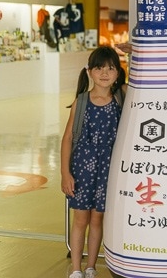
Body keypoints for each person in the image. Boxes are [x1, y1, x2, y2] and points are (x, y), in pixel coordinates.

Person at [60, 46, 127, 278]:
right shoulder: (81, 101)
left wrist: (134, 52)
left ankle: (91, 266)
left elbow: (143, 76)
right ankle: (76, 268)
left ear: (118, 73)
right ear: (90, 71)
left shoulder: (121, 97)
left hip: (108, 169)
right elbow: (68, 138)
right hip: (81, 169)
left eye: (111, 68)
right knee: (80, 219)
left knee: (98, 218)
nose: (105, 73)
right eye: (99, 68)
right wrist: (65, 173)